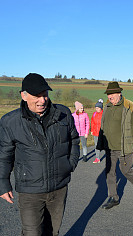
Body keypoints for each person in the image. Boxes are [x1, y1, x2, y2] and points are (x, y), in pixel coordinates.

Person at [0, 73, 80, 236]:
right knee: (32, 233)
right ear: (24, 96)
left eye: (45, 95)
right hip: (30, 190)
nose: (42, 100)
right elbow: (4, 155)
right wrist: (3, 183)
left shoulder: (63, 114)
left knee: (52, 232)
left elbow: (74, 140)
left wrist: (69, 165)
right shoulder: (10, 122)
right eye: (37, 95)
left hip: (59, 187)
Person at [97, 82, 133, 210]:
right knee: (110, 172)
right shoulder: (107, 106)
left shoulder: (129, 106)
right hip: (110, 147)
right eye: (108, 94)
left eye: (112, 94)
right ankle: (114, 197)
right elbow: (103, 125)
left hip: (125, 147)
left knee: (126, 171)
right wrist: (101, 142)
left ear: (119, 93)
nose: (110, 96)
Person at [91, 99, 104, 163]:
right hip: (95, 133)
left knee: (105, 145)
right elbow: (92, 122)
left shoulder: (104, 114)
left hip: (103, 133)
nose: (96, 109)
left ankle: (110, 157)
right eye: (96, 108)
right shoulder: (94, 114)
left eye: (98, 108)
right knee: (97, 145)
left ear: (101, 108)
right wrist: (92, 130)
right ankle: (97, 158)